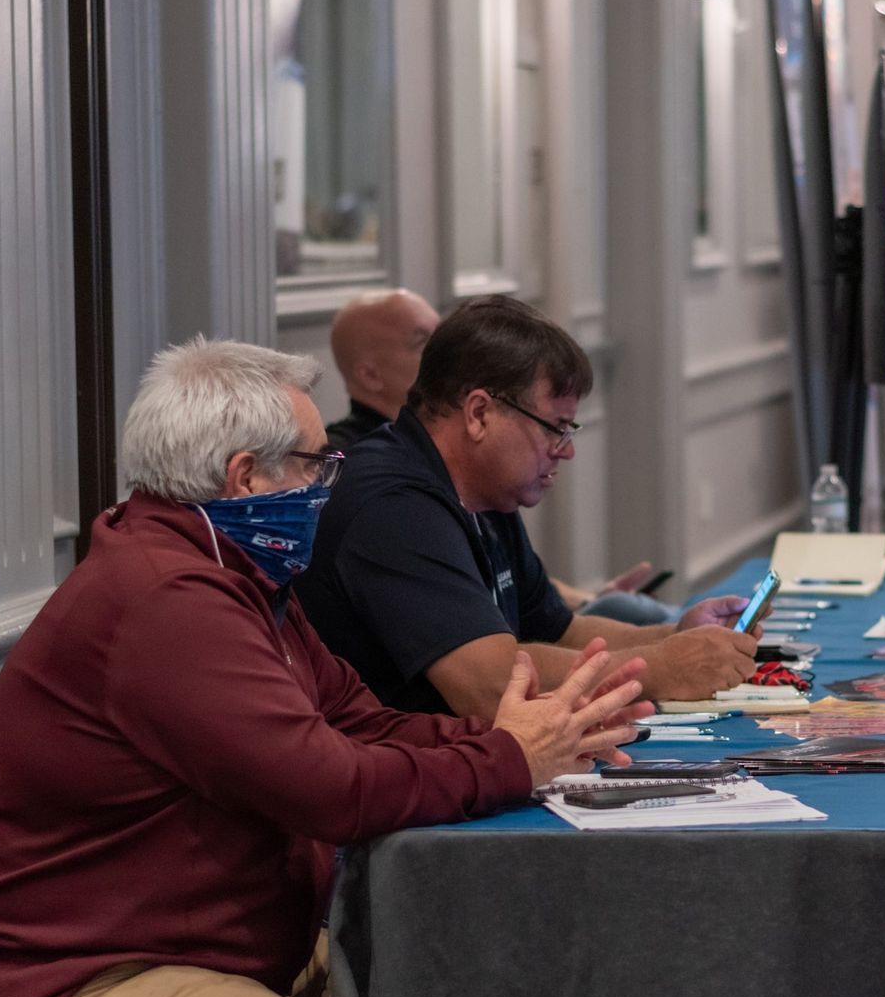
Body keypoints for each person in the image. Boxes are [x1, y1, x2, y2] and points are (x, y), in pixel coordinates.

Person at [0, 339, 649, 997]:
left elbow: (359, 723)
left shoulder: (230, 573)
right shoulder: (168, 600)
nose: (328, 485)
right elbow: (332, 791)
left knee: (464, 978)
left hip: (203, 945)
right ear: (246, 477)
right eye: (317, 465)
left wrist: (530, 741)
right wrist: (506, 758)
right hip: (83, 986)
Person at [296, 294, 761, 718]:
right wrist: (661, 667)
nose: (566, 450)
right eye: (554, 428)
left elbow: (559, 632)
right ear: (479, 414)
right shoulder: (391, 504)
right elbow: (491, 685)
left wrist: (677, 637)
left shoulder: (483, 491)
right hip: (401, 772)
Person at [325, 289, 678, 626]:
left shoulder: (482, 469)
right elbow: (482, 656)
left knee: (636, 611)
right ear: (369, 374)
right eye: (425, 343)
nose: (447, 354)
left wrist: (584, 600)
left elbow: (533, 604)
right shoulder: (366, 475)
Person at [324, 288, 438, 449]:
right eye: (424, 342)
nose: (448, 350)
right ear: (370, 376)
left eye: (442, 335)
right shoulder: (346, 457)